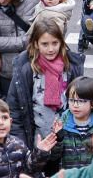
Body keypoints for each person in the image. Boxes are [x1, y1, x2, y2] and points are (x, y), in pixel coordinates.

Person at [8, 18, 85, 149]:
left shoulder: (71, 67)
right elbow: (15, 108)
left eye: (55, 43)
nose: (51, 49)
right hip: (37, 139)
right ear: (36, 44)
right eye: (45, 44)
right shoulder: (26, 69)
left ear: (61, 42)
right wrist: (20, 143)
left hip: (66, 140)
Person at [31, 76, 93, 172]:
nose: (75, 105)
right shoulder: (62, 122)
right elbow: (54, 157)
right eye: (72, 100)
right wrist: (59, 138)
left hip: (91, 177)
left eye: (81, 101)